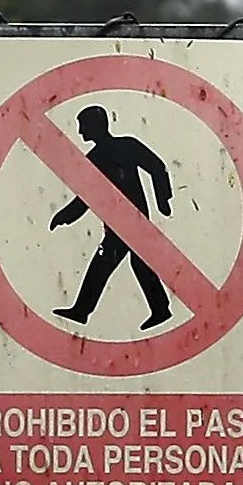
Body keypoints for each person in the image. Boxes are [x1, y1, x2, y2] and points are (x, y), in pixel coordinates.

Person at [51, 105, 178, 331]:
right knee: (138, 264)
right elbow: (86, 196)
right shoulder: (94, 158)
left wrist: (163, 199)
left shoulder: (126, 146)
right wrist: (66, 216)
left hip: (132, 220)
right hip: (118, 223)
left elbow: (156, 167)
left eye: (83, 126)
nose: (80, 132)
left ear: (95, 126)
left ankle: (82, 310)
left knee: (104, 264)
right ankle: (160, 309)